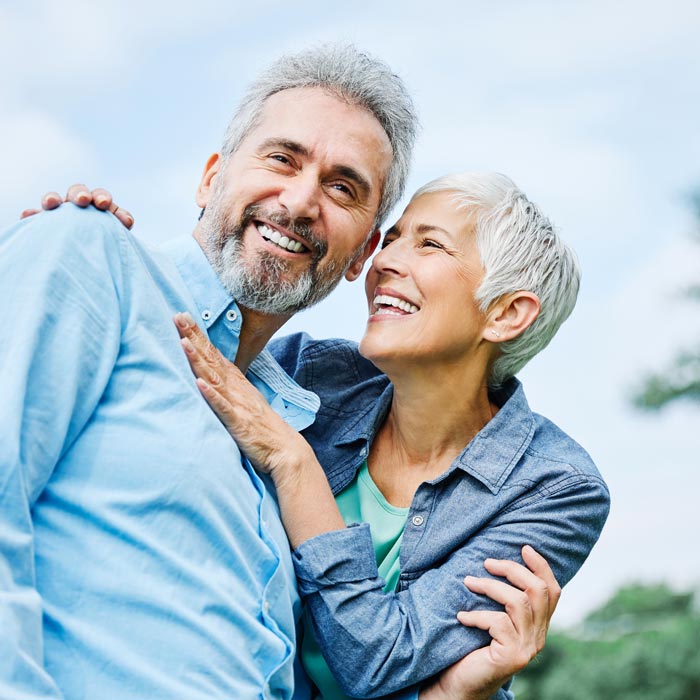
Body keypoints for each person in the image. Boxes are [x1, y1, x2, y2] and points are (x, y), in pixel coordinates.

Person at [0, 44, 558, 700]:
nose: (299, 201)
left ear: (361, 256)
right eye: (281, 159)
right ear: (211, 179)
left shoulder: (295, 435)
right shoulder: (92, 256)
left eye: (342, 187)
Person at [172, 172, 611, 699]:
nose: (383, 262)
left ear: (506, 313)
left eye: (429, 244)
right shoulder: (310, 373)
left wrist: (295, 463)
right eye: (393, 237)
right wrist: (88, 247)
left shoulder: (555, 488)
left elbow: (378, 663)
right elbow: (170, 352)